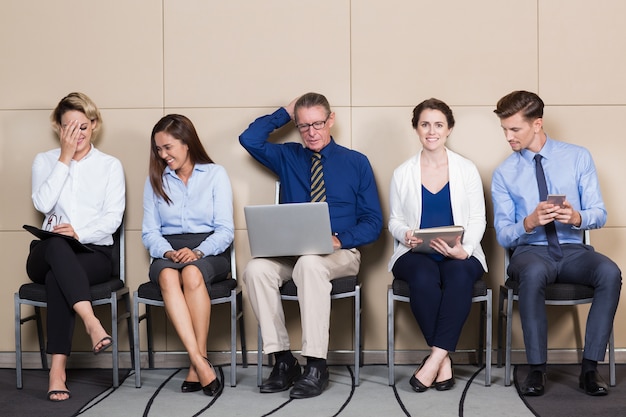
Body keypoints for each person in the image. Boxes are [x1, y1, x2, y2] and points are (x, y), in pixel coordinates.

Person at [239, 92, 383, 399]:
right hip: (292, 253)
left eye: (318, 123)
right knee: (256, 269)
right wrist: (285, 112)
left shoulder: (356, 163)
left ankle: (316, 364)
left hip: (340, 253)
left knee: (311, 263)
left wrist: (339, 239)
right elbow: (249, 139)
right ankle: (283, 360)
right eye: (304, 126)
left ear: (331, 120)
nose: (312, 132)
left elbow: (373, 221)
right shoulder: (289, 156)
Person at [491, 90, 621, 397]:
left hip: (574, 251)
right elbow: (503, 234)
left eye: (514, 129)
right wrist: (529, 223)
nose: (508, 137)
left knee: (610, 273)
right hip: (530, 252)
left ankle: (590, 368)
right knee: (533, 274)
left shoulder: (578, 157)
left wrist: (576, 217)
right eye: (504, 130)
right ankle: (536, 369)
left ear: (537, 124)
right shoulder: (504, 173)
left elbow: (599, 214)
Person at [26, 92, 126, 402]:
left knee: (60, 277)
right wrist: (65, 158)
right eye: (69, 128)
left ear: (94, 125)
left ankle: (58, 371)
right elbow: (42, 204)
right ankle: (92, 322)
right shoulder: (45, 161)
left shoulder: (110, 166)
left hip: (92, 254)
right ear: (58, 127)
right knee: (57, 246)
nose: (76, 135)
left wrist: (79, 233)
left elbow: (112, 219)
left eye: (82, 127)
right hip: (46, 251)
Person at [388, 98, 488, 392]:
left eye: (438, 125)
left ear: (449, 129)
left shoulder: (466, 169)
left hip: (461, 252)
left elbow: (478, 218)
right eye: (425, 124)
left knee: (459, 276)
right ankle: (443, 361)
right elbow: (394, 219)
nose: (431, 131)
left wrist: (465, 250)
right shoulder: (402, 172)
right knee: (422, 276)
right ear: (416, 129)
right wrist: (405, 233)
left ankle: (433, 362)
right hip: (415, 253)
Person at [142, 114, 234, 396]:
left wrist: (198, 251)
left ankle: (197, 362)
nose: (163, 155)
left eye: (168, 147)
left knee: (193, 273)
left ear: (187, 143)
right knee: (169, 277)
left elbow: (225, 230)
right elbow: (149, 233)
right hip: (167, 251)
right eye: (158, 149)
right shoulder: (154, 179)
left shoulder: (215, 174)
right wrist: (168, 251)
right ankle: (200, 362)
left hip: (209, 249)